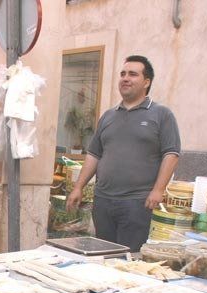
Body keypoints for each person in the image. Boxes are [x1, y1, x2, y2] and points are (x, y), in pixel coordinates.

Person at [66, 55, 181, 252]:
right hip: (103, 201)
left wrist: (158, 190)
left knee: (128, 260)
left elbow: (171, 154)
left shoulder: (161, 115)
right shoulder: (108, 116)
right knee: (104, 256)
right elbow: (94, 155)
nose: (125, 78)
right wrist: (78, 187)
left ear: (147, 82)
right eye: (123, 74)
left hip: (136, 203)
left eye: (133, 74)